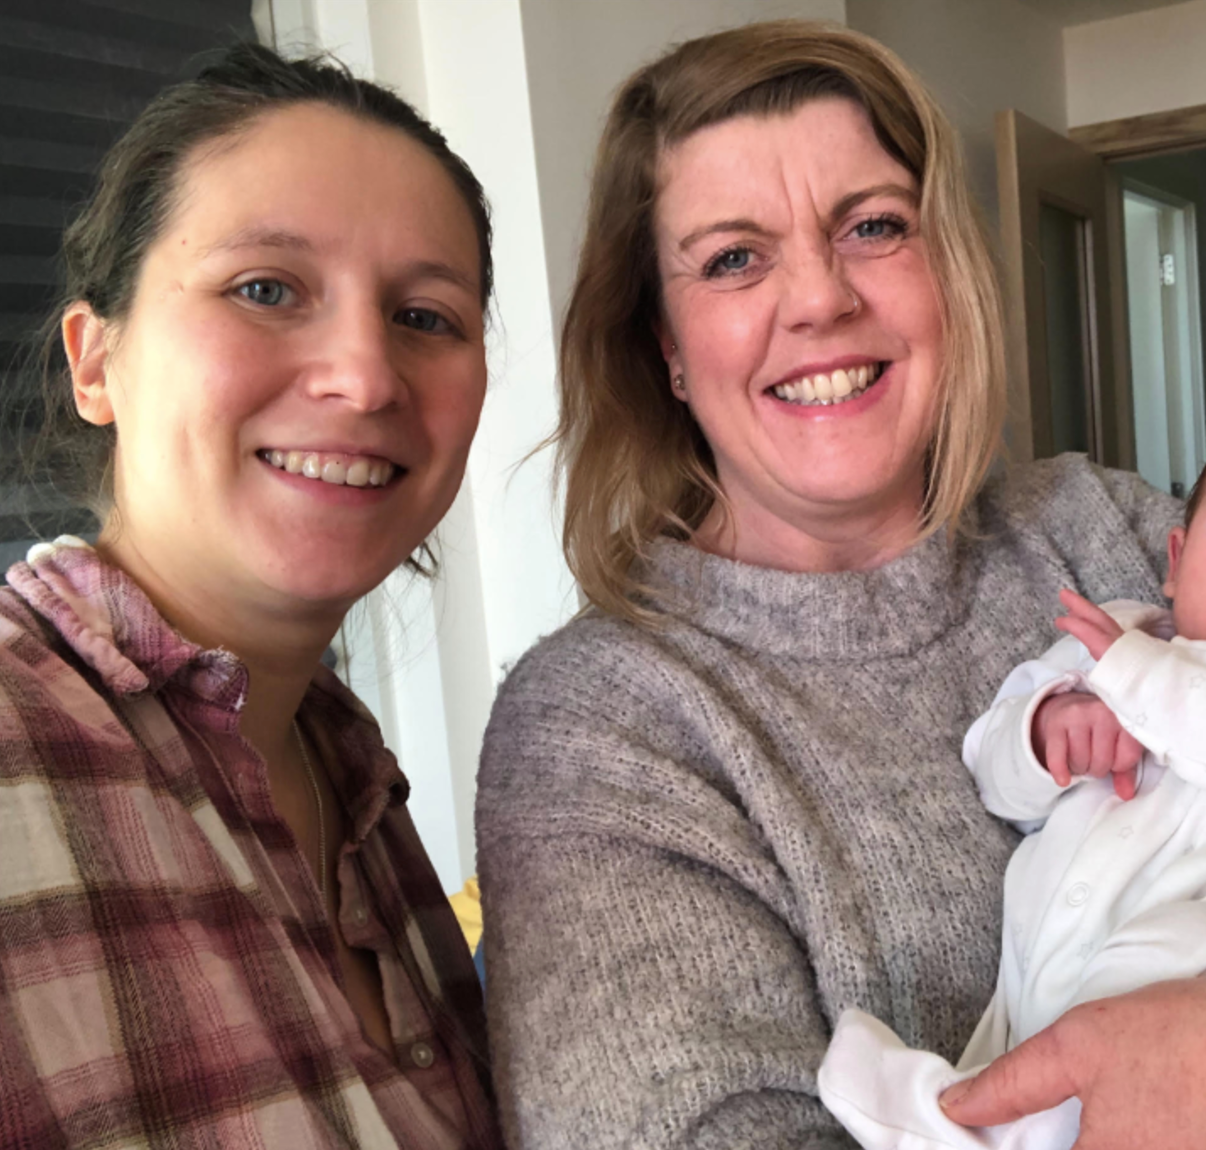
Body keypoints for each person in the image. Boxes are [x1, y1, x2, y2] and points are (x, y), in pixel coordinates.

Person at [474, 20, 1203, 1150]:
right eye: (732, 257)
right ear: (662, 344)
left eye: (872, 226)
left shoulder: (1102, 526)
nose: (819, 299)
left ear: (946, 272)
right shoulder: (605, 724)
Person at [0, 44, 502, 1149]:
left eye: (425, 316)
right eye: (264, 289)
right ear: (96, 364)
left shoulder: (351, 777)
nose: (366, 376)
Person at [818, 466, 1206, 1149]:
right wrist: (1046, 732)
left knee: (1131, 993)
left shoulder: (1126, 662)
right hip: (1037, 947)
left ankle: (953, 1128)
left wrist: (1135, 680)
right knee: (1009, 1050)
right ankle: (961, 1115)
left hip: (1172, 961)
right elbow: (991, 772)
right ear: (1175, 562)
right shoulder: (1111, 633)